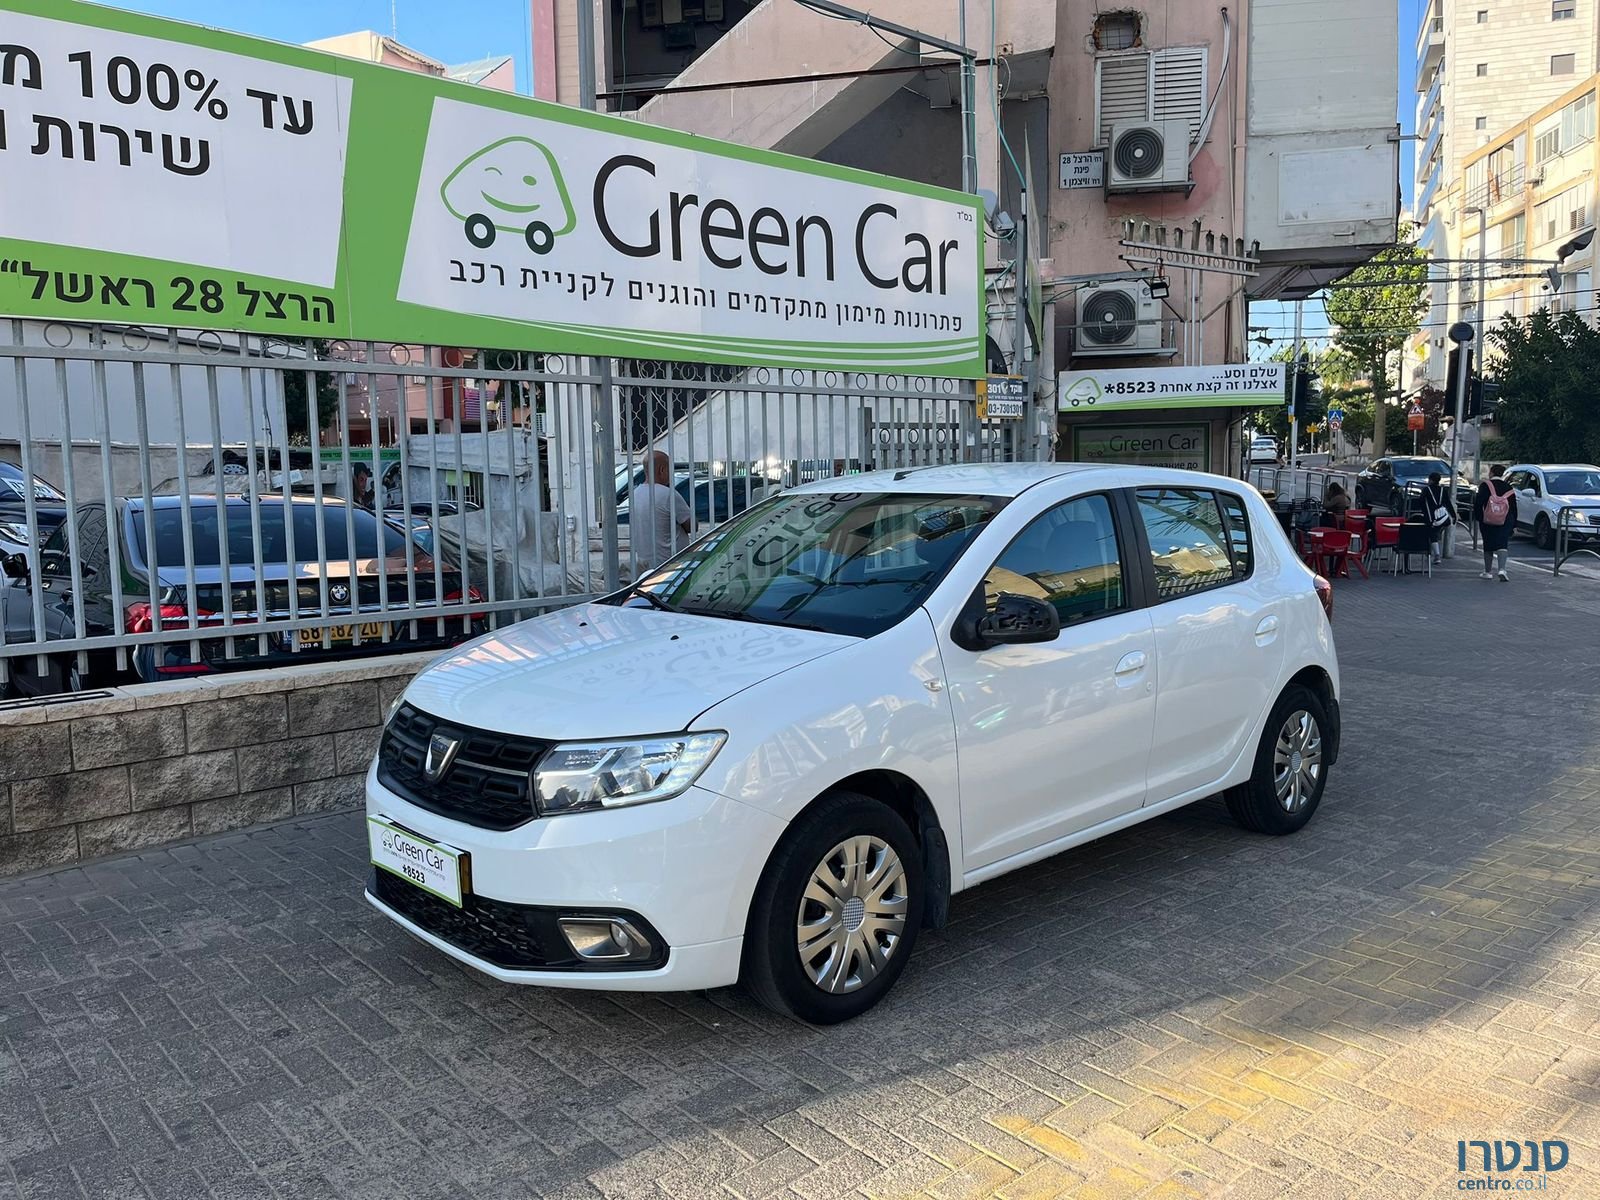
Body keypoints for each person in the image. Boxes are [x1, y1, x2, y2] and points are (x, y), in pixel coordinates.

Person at [630, 451, 691, 574]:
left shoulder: (635, 494)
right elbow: (691, 526)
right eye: (670, 469)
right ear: (662, 470)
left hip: (645, 566)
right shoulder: (668, 494)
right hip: (672, 565)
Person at [1473, 464, 1518, 582]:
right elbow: (1513, 507)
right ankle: (1502, 569)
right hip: (1505, 519)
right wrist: (1514, 524)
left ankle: (1487, 571)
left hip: (1487, 519)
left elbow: (1478, 503)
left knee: (1488, 544)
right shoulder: (1508, 487)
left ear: (1491, 472)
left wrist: (1479, 517)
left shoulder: (1485, 485)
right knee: (1502, 543)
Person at [1420, 470, 1451, 565]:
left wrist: (1424, 512)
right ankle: (1433, 551)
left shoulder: (1426, 490)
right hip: (1442, 517)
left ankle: (1436, 555)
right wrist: (1453, 515)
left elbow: (1421, 502)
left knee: (1432, 535)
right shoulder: (1443, 490)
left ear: (1431, 480)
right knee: (1435, 534)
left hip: (1430, 517)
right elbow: (1448, 503)